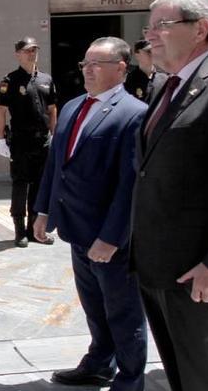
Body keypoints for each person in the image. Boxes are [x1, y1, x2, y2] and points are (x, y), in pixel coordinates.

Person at [132, 0, 208, 391]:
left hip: (202, 276)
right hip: (160, 269)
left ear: (201, 29)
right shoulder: (167, 86)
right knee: (181, 377)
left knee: (204, 378)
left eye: (162, 25)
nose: (151, 36)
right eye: (149, 27)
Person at [33, 37, 148, 389]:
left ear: (121, 68)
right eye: (85, 63)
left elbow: (130, 185)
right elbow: (56, 166)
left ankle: (130, 378)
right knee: (94, 308)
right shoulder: (71, 107)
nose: (88, 70)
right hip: (76, 230)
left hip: (108, 238)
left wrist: (111, 238)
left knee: (123, 312)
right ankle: (99, 362)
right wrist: (42, 211)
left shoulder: (134, 114)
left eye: (97, 63)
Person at [0, 36, 58, 247]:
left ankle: (34, 230)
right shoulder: (9, 81)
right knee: (21, 184)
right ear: (18, 54)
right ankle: (20, 231)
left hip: (42, 140)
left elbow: (51, 109)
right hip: (21, 141)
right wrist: (0, 140)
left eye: (34, 50)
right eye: (27, 50)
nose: (32, 53)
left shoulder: (46, 80)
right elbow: (1, 111)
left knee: (40, 186)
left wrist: (54, 134)